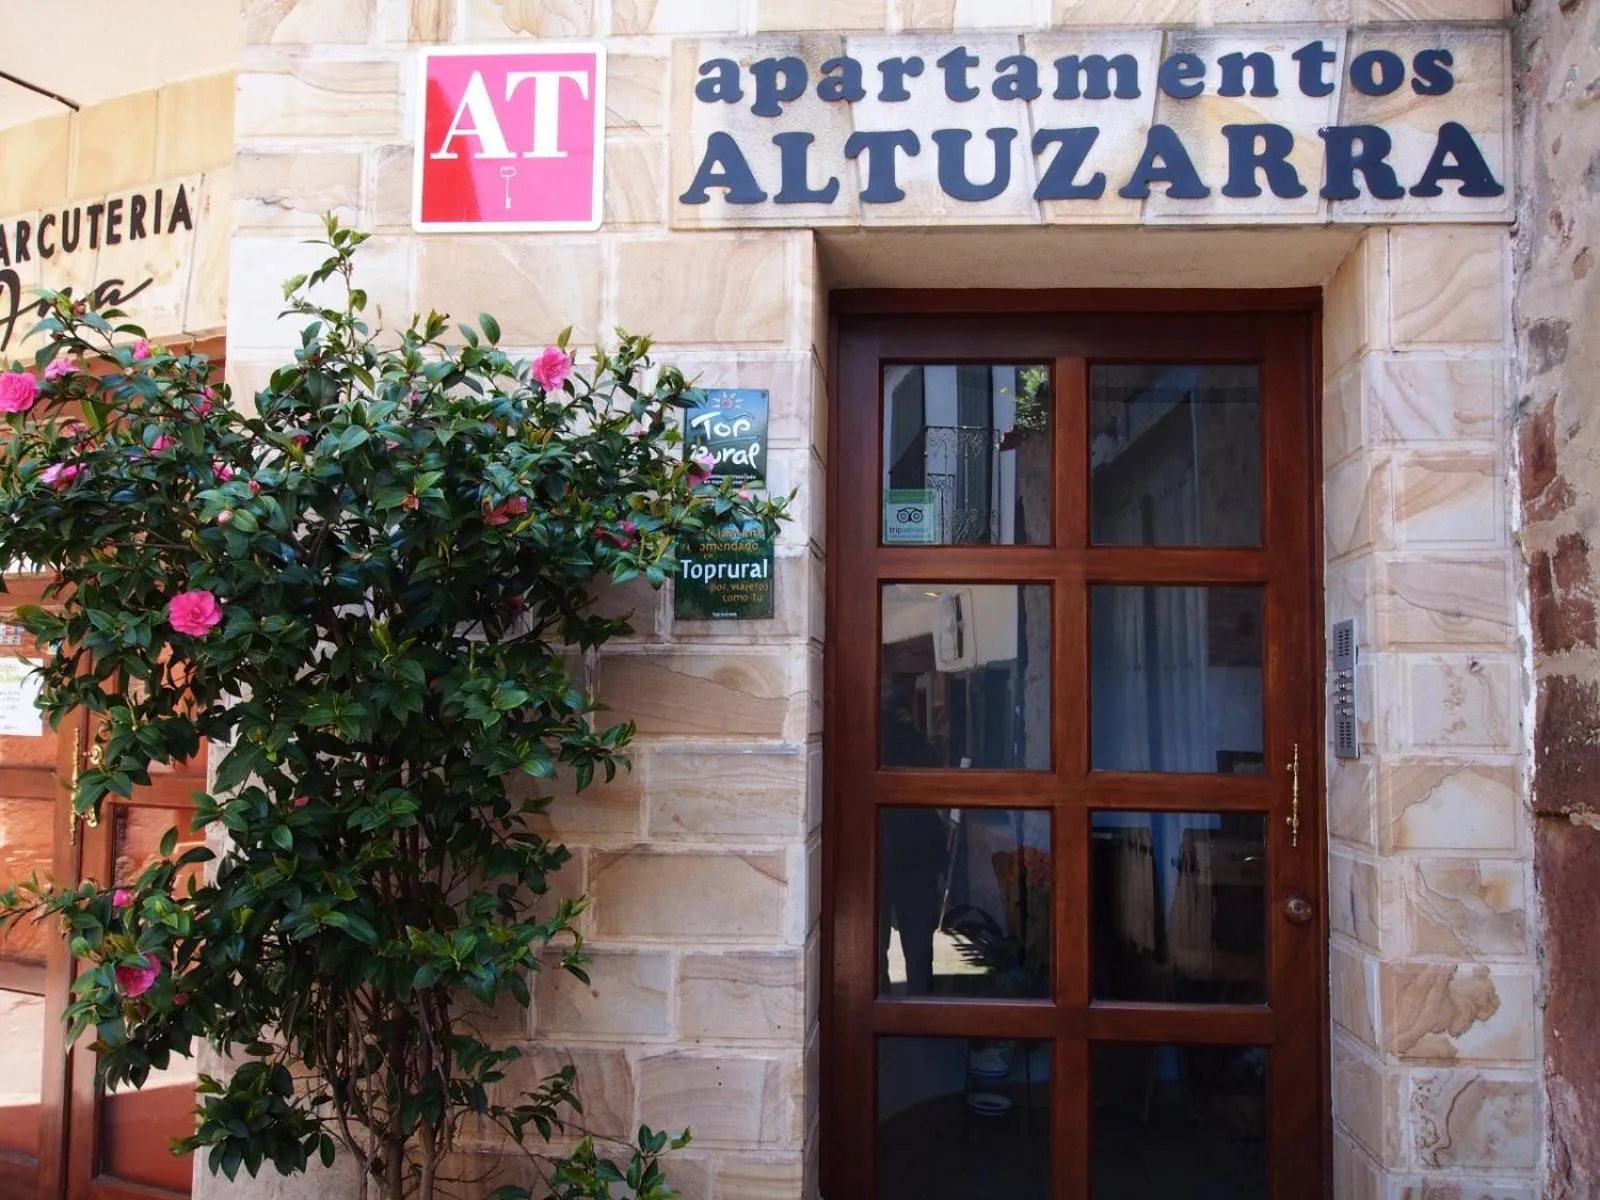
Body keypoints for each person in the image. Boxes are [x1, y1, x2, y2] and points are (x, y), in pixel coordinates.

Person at [879, 677, 951, 996]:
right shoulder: (915, 743)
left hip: (883, 854)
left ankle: (878, 1004)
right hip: (911, 854)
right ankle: (920, 1009)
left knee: (875, 940)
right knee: (918, 941)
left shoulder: (874, 744)